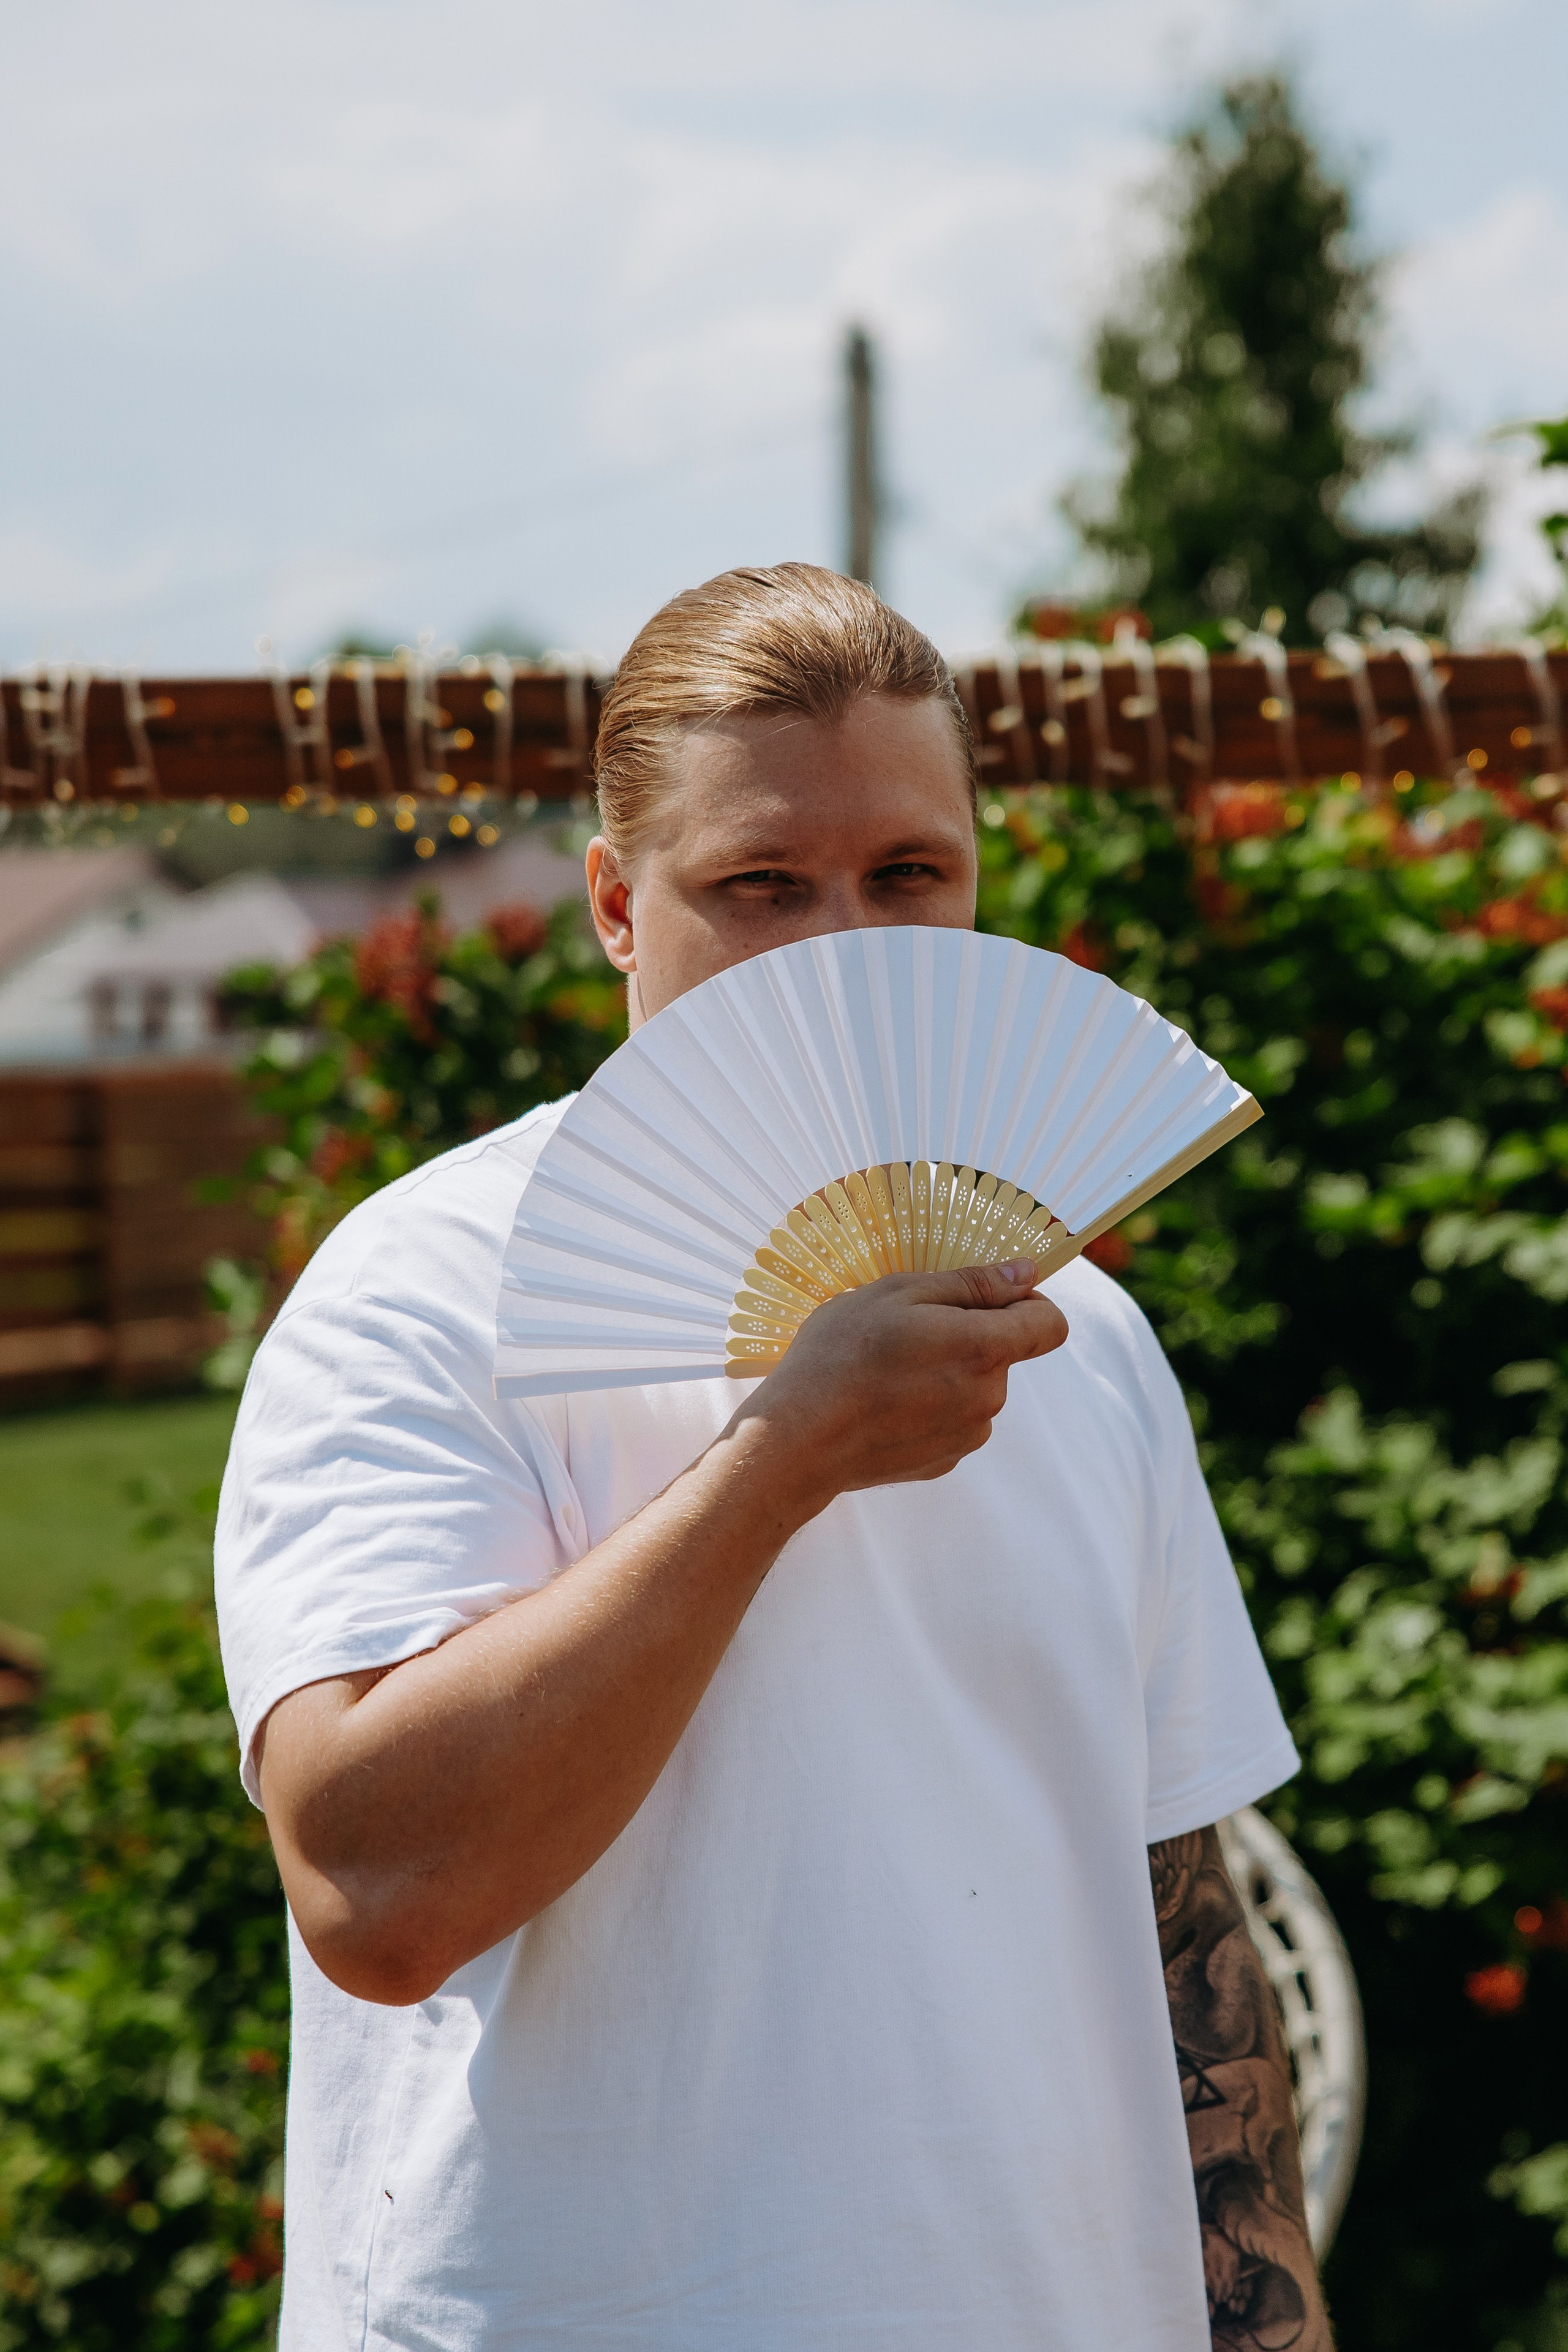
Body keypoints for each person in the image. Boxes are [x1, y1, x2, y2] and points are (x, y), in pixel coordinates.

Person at [216, 563, 1330, 2351]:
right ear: (612, 906)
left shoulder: (1085, 1332)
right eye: (758, 885)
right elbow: (376, 1892)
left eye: (908, 875)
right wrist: (778, 1465)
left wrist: (1270, 2323)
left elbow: (1180, 1921)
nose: (847, 948)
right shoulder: (423, 1295)